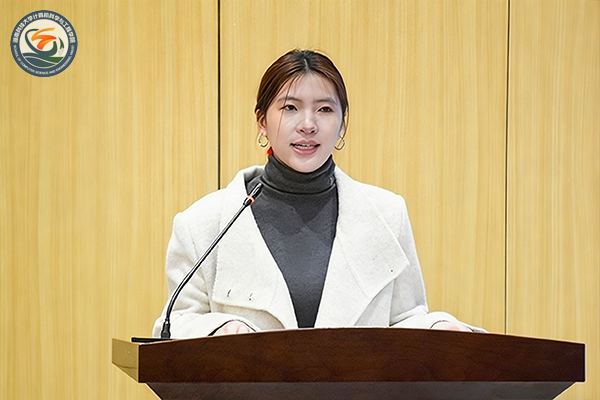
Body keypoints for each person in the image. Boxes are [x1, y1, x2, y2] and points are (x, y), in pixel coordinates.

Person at [153, 49, 483, 338]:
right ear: (262, 122)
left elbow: (405, 319)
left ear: (342, 124)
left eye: (324, 109)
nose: (308, 125)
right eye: (290, 108)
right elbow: (174, 324)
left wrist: (437, 327)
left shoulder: (387, 214)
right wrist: (219, 329)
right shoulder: (204, 223)